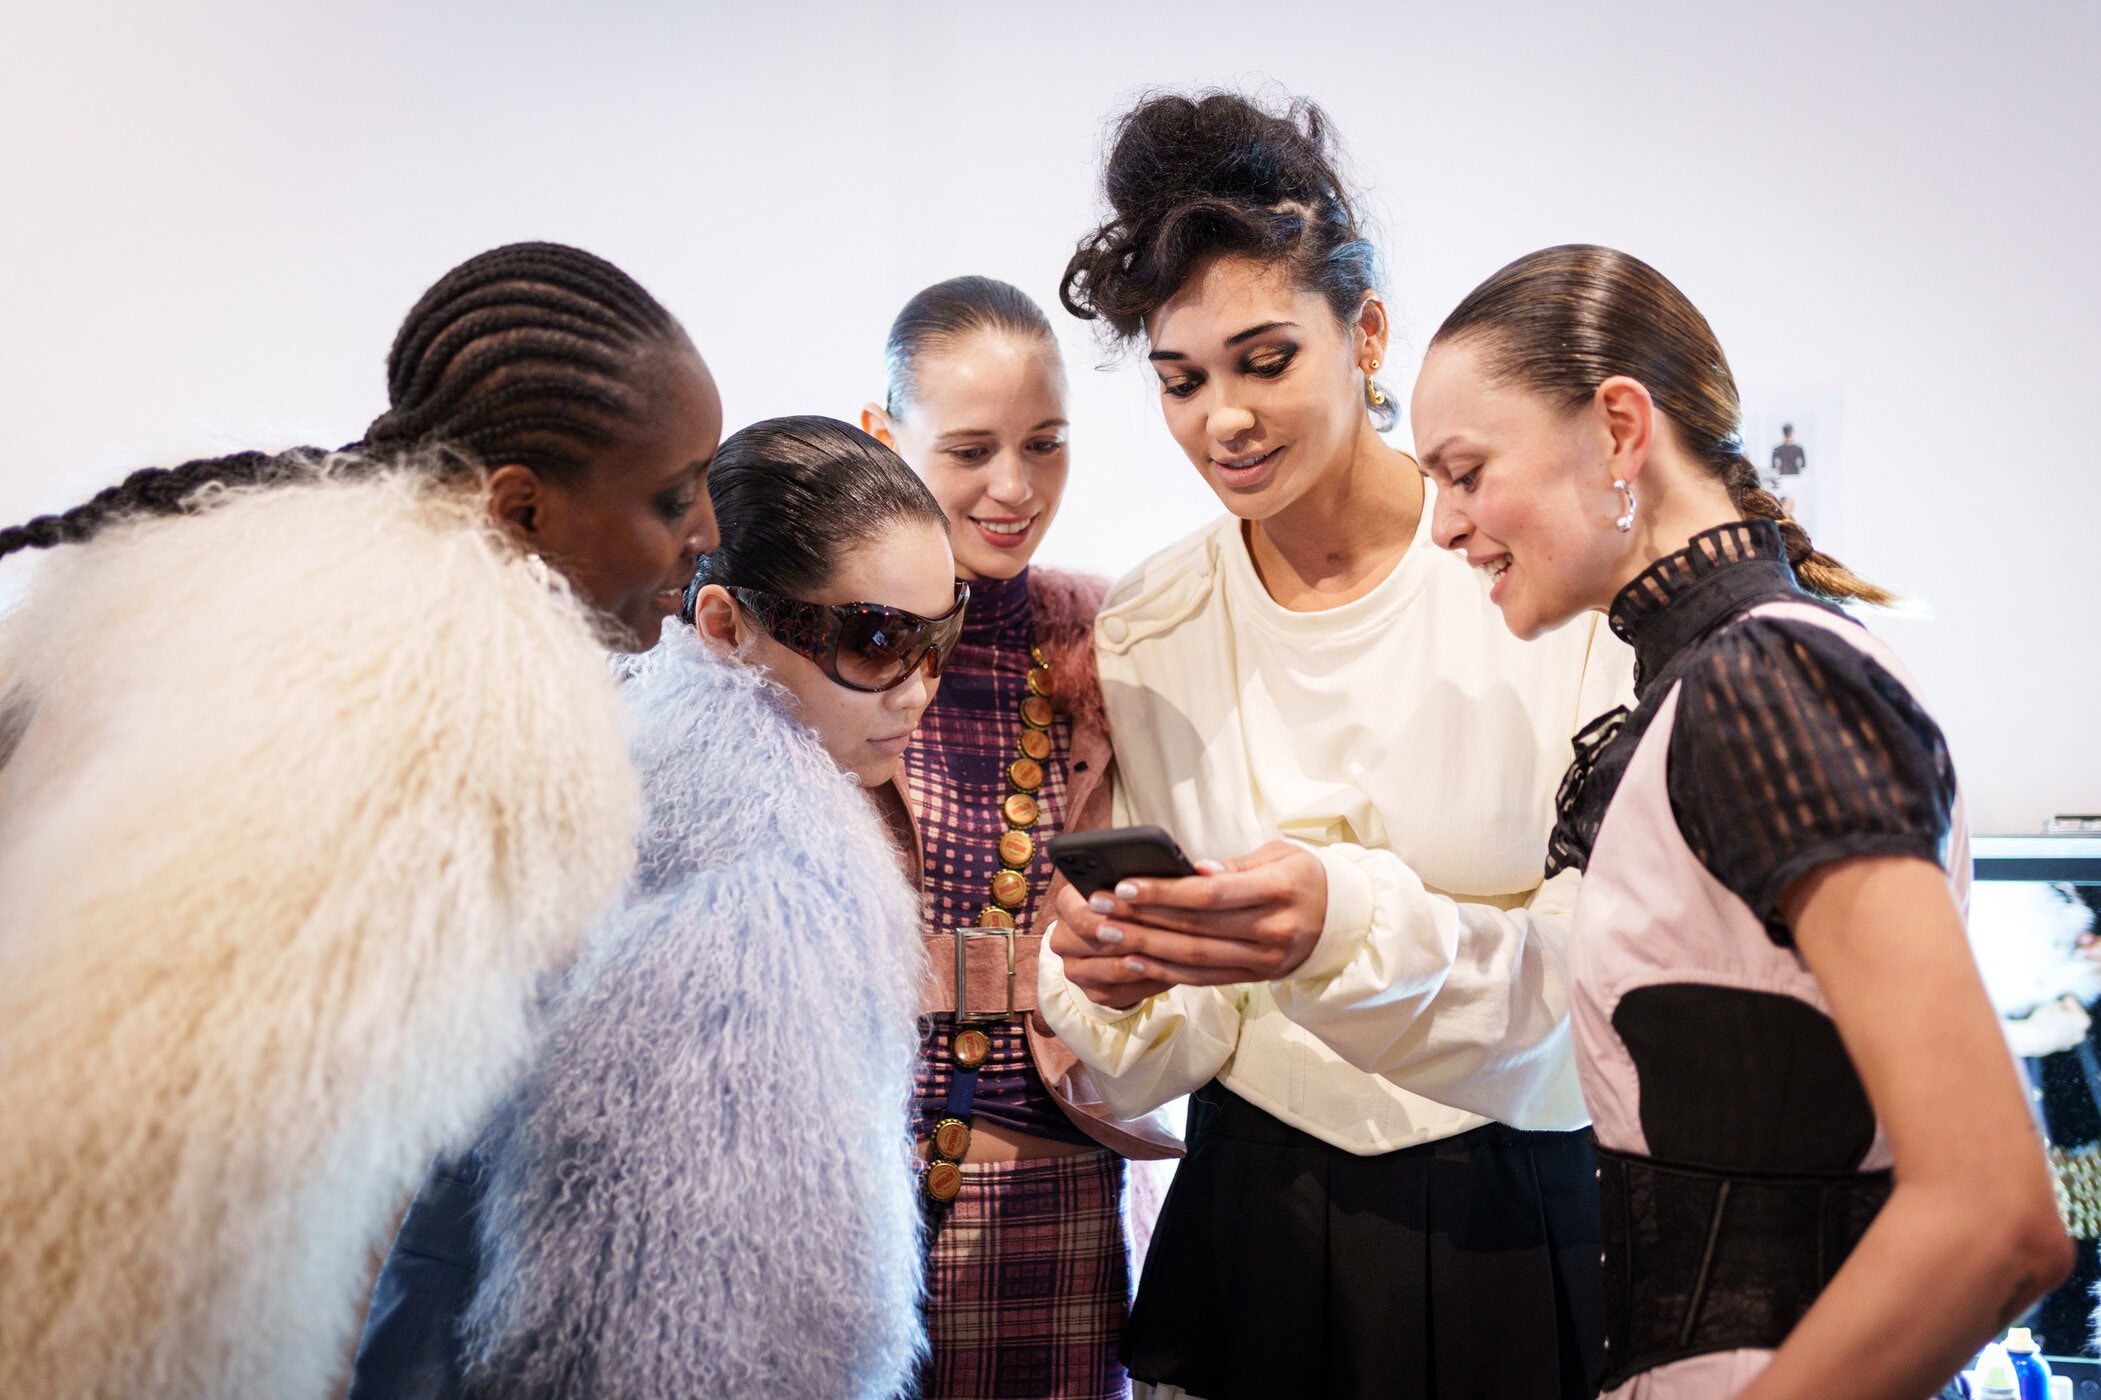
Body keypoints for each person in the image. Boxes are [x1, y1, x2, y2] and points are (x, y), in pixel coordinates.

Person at [0, 241, 720, 1400]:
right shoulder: (446, 699)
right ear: (520, 504)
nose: (704, 533)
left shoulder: (268, 563)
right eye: (670, 496)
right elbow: (167, 1180)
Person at [1038, 92, 1632, 1400]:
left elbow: (1607, 979)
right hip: (1257, 1215)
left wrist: (1341, 924)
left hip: (1522, 1207)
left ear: (1362, 331)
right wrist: (1112, 974)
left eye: (1264, 360)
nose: (1222, 422)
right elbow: (1164, 1037)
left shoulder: (1533, 578)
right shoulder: (1150, 624)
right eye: (1180, 379)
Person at [1405, 243, 2071, 1399]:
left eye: (1464, 472)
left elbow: (1996, 1211)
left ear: (1619, 427)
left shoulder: (1767, 681)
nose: (1442, 526)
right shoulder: (1715, 684)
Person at [348, 417, 957, 1400]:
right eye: (877, 638)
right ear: (722, 622)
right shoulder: (761, 891)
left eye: (941, 633)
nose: (918, 689)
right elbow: (671, 1334)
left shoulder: (627, 762)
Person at [860, 275, 1179, 1400]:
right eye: (970, 450)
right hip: (838, 1216)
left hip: (1054, 1209)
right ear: (881, 434)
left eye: (1044, 444)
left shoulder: (1111, 638)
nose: (1014, 486)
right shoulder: (811, 638)